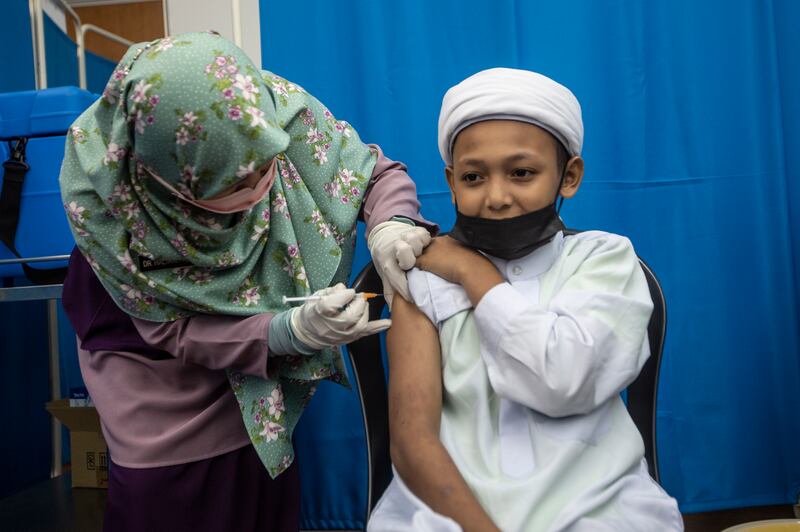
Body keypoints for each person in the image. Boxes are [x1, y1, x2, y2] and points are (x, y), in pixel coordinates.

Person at [59, 32, 434, 531]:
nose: (263, 189)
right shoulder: (114, 220)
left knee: (265, 496)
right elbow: (171, 330)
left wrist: (392, 225)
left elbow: (372, 174)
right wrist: (287, 334)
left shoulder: (267, 115)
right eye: (237, 185)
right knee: (172, 504)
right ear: (172, 183)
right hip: (160, 397)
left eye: (267, 165)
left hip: (260, 390)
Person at [367, 68, 683, 531]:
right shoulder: (423, 282)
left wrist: (473, 273)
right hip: (450, 514)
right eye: (474, 177)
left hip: (600, 508)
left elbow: (564, 377)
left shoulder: (605, 262)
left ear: (568, 175)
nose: (497, 197)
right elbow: (414, 444)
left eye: (522, 173)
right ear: (452, 183)